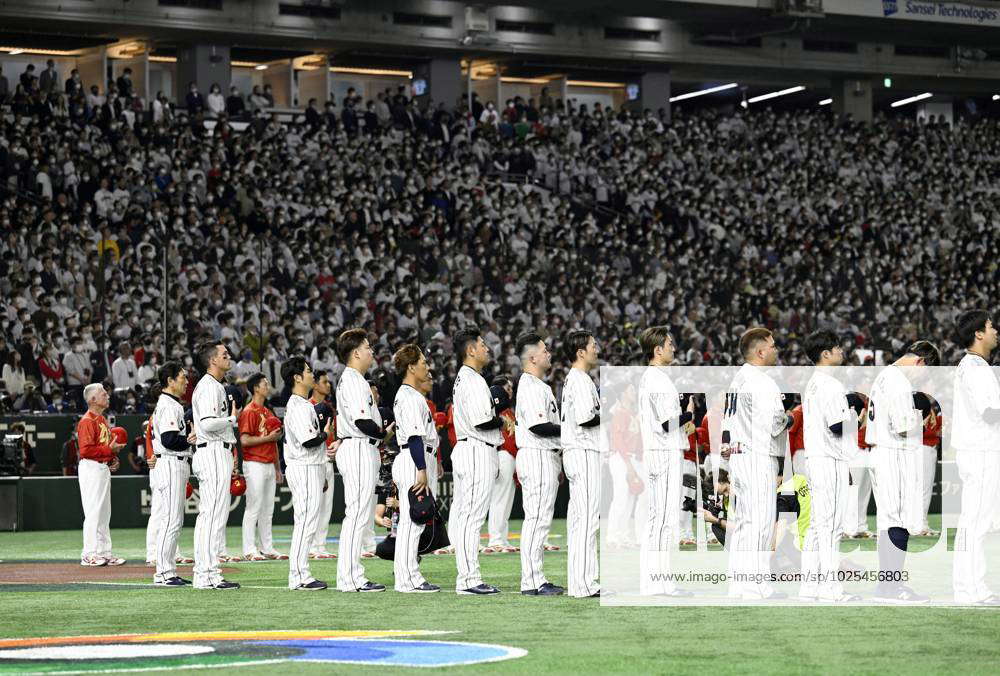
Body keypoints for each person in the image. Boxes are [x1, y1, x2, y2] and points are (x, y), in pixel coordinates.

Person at [866, 339, 940, 604]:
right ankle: (892, 587)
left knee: (888, 521)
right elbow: (903, 426)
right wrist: (921, 412)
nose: (923, 378)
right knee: (897, 521)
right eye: (926, 371)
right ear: (920, 362)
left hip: (882, 451)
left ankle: (886, 585)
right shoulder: (898, 381)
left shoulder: (885, 375)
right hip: (893, 451)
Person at [722, 327, 791, 601]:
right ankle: (756, 585)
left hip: (738, 456)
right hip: (757, 456)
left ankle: (739, 584)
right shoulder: (762, 382)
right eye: (772, 346)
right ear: (760, 352)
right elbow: (775, 424)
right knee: (761, 523)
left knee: (744, 523)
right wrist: (792, 418)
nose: (776, 350)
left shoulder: (738, 379)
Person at [798, 330, 860, 603]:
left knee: (816, 525)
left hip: (815, 458)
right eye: (836, 347)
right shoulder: (832, 385)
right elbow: (837, 426)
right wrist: (853, 415)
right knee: (831, 526)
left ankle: (810, 587)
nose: (840, 351)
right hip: (829, 459)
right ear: (825, 354)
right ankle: (830, 589)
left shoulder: (812, 382)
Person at [636, 326, 693, 597]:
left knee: (659, 519)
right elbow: (667, 423)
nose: (673, 347)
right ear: (657, 349)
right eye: (669, 343)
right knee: (663, 520)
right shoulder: (657, 379)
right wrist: (689, 414)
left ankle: (656, 580)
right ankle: (659, 582)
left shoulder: (653, 378)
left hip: (660, 451)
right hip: (663, 452)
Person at [449, 326, 505, 595]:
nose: (486, 348)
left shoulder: (469, 377)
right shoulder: (471, 379)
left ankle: (469, 577)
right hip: (474, 449)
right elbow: (483, 421)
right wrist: (503, 420)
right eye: (482, 344)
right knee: (471, 518)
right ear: (470, 350)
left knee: (469, 517)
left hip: (473, 449)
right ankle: (468, 579)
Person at [951, 310, 1000, 605]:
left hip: (980, 450)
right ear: (978, 333)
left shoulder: (975, 366)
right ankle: (970, 589)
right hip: (981, 451)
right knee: (976, 523)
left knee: (976, 521)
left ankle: (971, 587)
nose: (996, 330)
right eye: (991, 326)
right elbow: (990, 413)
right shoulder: (975, 367)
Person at [334, 328, 388, 592]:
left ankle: (351, 576)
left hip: (359, 447)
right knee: (356, 515)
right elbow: (362, 421)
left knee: (358, 515)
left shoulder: (354, 379)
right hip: (358, 447)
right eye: (367, 347)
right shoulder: (354, 380)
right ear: (355, 353)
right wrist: (383, 433)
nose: (371, 351)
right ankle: (351, 578)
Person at [513, 332, 565, 596]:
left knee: (538, 519)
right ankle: (532, 580)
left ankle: (534, 578)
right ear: (532, 357)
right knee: (537, 519)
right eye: (544, 350)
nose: (549, 353)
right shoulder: (532, 386)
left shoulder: (536, 385)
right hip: (537, 454)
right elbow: (538, 426)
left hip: (543, 455)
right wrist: (571, 431)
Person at [390, 344, 442, 592]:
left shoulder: (411, 395)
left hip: (417, 459)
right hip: (413, 460)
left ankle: (408, 576)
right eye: (422, 361)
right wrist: (421, 468)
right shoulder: (409, 396)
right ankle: (407, 578)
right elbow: (413, 438)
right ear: (411, 366)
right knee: (413, 521)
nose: (426, 365)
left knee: (415, 522)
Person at [190, 341, 241, 590]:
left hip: (216, 451)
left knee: (214, 515)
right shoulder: (209, 387)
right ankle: (205, 574)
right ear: (212, 361)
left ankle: (209, 572)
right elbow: (208, 423)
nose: (228, 356)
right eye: (224, 354)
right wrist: (232, 419)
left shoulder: (214, 386)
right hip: (211, 451)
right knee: (211, 516)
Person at [281, 356, 333, 591]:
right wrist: (326, 433)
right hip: (304, 467)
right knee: (305, 522)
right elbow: (309, 440)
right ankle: (299, 575)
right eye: (308, 371)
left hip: (310, 466)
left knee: (307, 521)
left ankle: (300, 573)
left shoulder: (303, 404)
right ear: (297, 377)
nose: (312, 374)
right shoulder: (298, 405)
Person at [560, 329, 603, 598]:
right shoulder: (579, 379)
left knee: (580, 521)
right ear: (580, 352)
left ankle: (581, 582)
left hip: (578, 452)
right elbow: (588, 418)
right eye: (593, 345)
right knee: (587, 521)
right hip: (584, 451)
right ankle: (585, 584)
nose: (596, 349)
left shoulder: (575, 379)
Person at [148, 363, 197, 586]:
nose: (185, 381)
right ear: (170, 381)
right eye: (181, 377)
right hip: (170, 463)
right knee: (170, 521)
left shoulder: (171, 403)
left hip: (173, 463)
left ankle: (168, 570)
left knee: (173, 520)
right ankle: (163, 572)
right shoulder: (169, 405)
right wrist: (190, 439)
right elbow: (169, 439)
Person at [238, 373, 288, 561]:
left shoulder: (268, 412)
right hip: (254, 463)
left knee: (268, 508)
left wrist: (277, 467)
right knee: (254, 506)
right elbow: (244, 440)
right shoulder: (249, 411)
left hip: (268, 464)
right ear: (256, 388)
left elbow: (274, 442)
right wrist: (268, 438)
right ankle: (249, 548)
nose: (268, 386)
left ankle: (267, 547)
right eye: (264, 384)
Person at [76, 383, 126, 567]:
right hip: (91, 467)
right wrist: (108, 450)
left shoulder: (102, 419)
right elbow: (85, 450)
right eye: (103, 394)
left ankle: (104, 552)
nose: (107, 395)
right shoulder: (87, 421)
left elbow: (102, 447)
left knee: (104, 512)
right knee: (93, 511)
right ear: (92, 400)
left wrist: (112, 457)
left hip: (101, 467)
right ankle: (88, 553)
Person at [308, 370, 341, 559]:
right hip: (314, 461)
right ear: (315, 385)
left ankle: (320, 545)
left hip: (329, 459)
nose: (328, 385)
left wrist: (335, 449)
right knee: (315, 505)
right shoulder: (307, 406)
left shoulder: (329, 408)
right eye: (324, 382)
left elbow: (333, 433)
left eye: (329, 382)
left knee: (327, 506)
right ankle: (311, 544)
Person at [486, 375, 517, 553]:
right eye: (507, 388)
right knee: (499, 498)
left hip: (511, 455)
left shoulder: (508, 411)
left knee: (506, 500)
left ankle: (502, 539)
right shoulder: (496, 409)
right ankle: (495, 539)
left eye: (511, 388)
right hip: (502, 454)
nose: (510, 391)